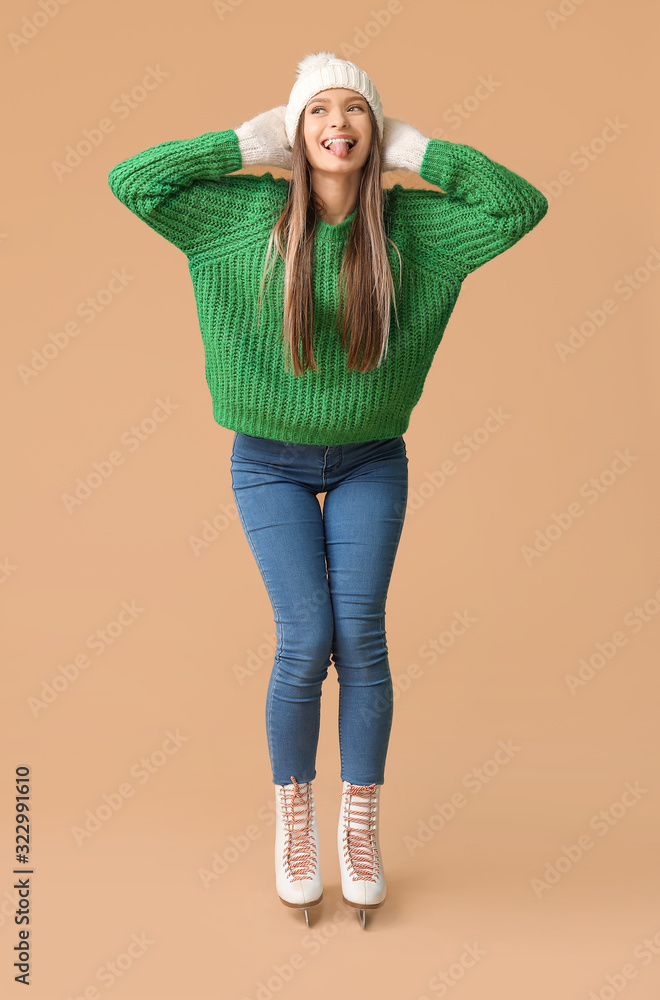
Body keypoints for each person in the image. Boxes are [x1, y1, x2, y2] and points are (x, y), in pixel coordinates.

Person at [107, 50, 549, 927]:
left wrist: (417, 151)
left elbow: (519, 205)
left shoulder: (416, 232)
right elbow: (134, 181)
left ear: (374, 133)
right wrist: (245, 142)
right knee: (306, 637)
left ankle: (360, 823)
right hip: (267, 459)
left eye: (355, 111)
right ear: (294, 131)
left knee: (363, 642)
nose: (337, 124)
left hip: (370, 457)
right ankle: (296, 818)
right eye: (318, 112)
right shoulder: (239, 217)